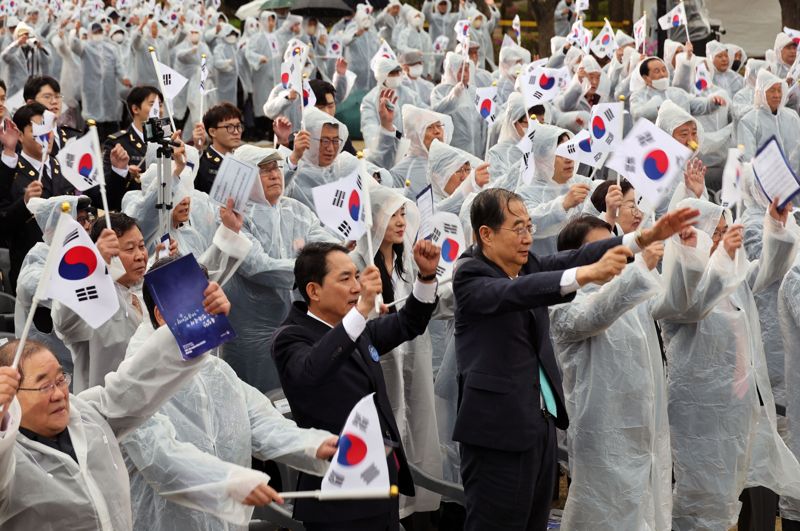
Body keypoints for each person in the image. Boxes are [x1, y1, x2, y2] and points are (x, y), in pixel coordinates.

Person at [452, 188, 698, 530]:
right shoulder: (470, 274)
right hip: (496, 432)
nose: (527, 238)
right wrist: (588, 275)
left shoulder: (525, 265)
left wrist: (642, 238)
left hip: (537, 424)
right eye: (517, 228)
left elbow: (578, 256)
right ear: (486, 234)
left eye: (529, 227)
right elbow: (517, 293)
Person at [120, 256, 339, 531]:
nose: (214, 309)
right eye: (201, 303)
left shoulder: (215, 370)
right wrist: (230, 481)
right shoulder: (137, 379)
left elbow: (260, 421)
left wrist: (314, 445)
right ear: (162, 315)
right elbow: (161, 459)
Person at [0, 281, 229, 529]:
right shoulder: (12, 460)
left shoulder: (87, 418)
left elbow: (139, 383)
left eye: (60, 379)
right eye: (44, 386)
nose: (58, 394)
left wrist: (198, 317)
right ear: (10, 396)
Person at [272, 239, 441, 530]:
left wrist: (426, 277)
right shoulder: (291, 338)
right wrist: (360, 312)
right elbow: (312, 371)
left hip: (380, 484)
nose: (356, 286)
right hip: (339, 497)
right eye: (345, 278)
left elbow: (407, 323)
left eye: (356, 276)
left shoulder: (353, 327)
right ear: (313, 290)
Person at [663, 195, 800, 530]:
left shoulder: (734, 282)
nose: (723, 239)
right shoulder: (677, 286)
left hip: (737, 408)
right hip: (699, 414)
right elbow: (693, 304)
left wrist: (776, 226)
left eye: (725, 231)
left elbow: (771, 268)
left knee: (732, 497)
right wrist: (720, 258)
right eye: (715, 232)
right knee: (698, 503)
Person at [551, 215, 673, 530]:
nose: (614, 254)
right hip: (603, 439)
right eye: (602, 248)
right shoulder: (563, 301)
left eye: (615, 245)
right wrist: (638, 268)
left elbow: (680, 303)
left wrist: (689, 252)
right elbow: (595, 314)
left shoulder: (632, 289)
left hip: (644, 435)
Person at [351, 185, 445, 519]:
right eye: (392, 214)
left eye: (403, 213)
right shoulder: (359, 260)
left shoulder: (407, 256)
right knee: (387, 422)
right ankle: (390, 506)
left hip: (413, 353)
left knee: (418, 419)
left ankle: (417, 504)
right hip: (381, 356)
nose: (400, 221)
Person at [221, 145, 337, 393]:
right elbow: (259, 267)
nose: (275, 174)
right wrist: (312, 266)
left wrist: (342, 252)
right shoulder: (235, 218)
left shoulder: (296, 210)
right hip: (253, 338)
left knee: (301, 398)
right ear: (246, 178)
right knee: (264, 406)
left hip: (299, 328)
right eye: (264, 170)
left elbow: (328, 248)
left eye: (276, 167)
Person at [514, 124, 597, 255]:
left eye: (570, 150)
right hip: (543, 270)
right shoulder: (525, 193)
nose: (569, 159)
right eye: (560, 153)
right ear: (542, 159)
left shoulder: (581, 183)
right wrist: (563, 205)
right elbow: (528, 225)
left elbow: (600, 193)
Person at [283, 106, 358, 210]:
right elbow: (275, 197)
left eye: (335, 141)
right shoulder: (293, 174)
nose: (331, 148)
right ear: (310, 140)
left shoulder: (342, 166)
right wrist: (294, 156)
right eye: (325, 141)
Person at [103, 86, 164, 211]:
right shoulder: (118, 142)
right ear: (135, 108)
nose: (159, 110)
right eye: (153, 104)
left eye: (161, 105)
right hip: (131, 213)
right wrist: (123, 172)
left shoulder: (166, 142)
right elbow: (109, 191)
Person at [70, 22, 129, 142]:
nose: (98, 34)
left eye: (100, 32)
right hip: (92, 93)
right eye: (95, 32)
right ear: (91, 33)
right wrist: (75, 32)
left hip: (109, 93)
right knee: (92, 128)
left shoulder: (111, 49)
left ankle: (108, 151)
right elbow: (74, 46)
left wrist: (124, 78)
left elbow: (119, 67)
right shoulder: (85, 48)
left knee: (111, 129)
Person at [737, 69, 800, 175]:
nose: (777, 95)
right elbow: (747, 161)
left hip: (795, 184)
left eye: (779, 90)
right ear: (761, 92)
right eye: (771, 90)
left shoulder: (792, 117)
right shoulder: (749, 121)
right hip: (764, 185)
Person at [629, 56, 726, 123]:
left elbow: (697, 105)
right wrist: (658, 105)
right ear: (646, 78)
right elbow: (637, 114)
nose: (662, 74)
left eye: (664, 70)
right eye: (657, 71)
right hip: (654, 148)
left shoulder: (677, 92)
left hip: (680, 144)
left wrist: (712, 102)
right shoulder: (638, 95)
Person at [390, 105, 453, 200]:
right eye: (429, 127)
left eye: (439, 126)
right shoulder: (403, 171)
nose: (437, 131)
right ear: (415, 135)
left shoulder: (451, 162)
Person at [431, 52, 486, 158]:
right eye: (461, 70)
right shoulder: (440, 91)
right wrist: (453, 97)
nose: (465, 74)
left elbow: (483, 122)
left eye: (467, 70)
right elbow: (435, 112)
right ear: (451, 70)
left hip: (476, 152)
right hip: (453, 153)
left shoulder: (475, 92)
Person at [22, 76, 79, 156]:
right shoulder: (22, 140)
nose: (54, 101)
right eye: (47, 97)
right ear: (31, 103)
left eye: (57, 96)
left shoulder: (75, 137)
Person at [195, 103, 243, 194]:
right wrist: (197, 149)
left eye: (238, 126)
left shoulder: (243, 159)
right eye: (230, 127)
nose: (236, 132)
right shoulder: (202, 163)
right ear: (212, 132)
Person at [1, 22, 50, 95]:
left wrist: (40, 48)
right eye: (21, 35)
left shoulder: (34, 50)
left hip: (33, 88)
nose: (24, 37)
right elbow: (4, 55)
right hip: (16, 89)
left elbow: (46, 61)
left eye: (26, 34)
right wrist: (17, 43)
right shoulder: (13, 51)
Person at [212, 24, 241, 106]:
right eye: (229, 34)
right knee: (225, 107)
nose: (232, 36)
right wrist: (227, 63)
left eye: (234, 34)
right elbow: (217, 63)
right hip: (224, 83)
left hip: (237, 83)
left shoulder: (236, 47)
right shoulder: (219, 48)